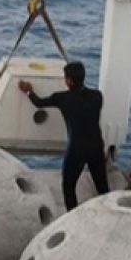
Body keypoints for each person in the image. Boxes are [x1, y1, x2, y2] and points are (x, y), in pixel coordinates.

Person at [19, 61, 109, 211]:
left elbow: (39, 103)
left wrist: (28, 91)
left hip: (77, 149)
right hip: (96, 146)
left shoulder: (62, 98)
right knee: (102, 187)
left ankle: (72, 218)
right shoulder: (97, 96)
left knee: (68, 186)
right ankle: (110, 213)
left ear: (69, 81)